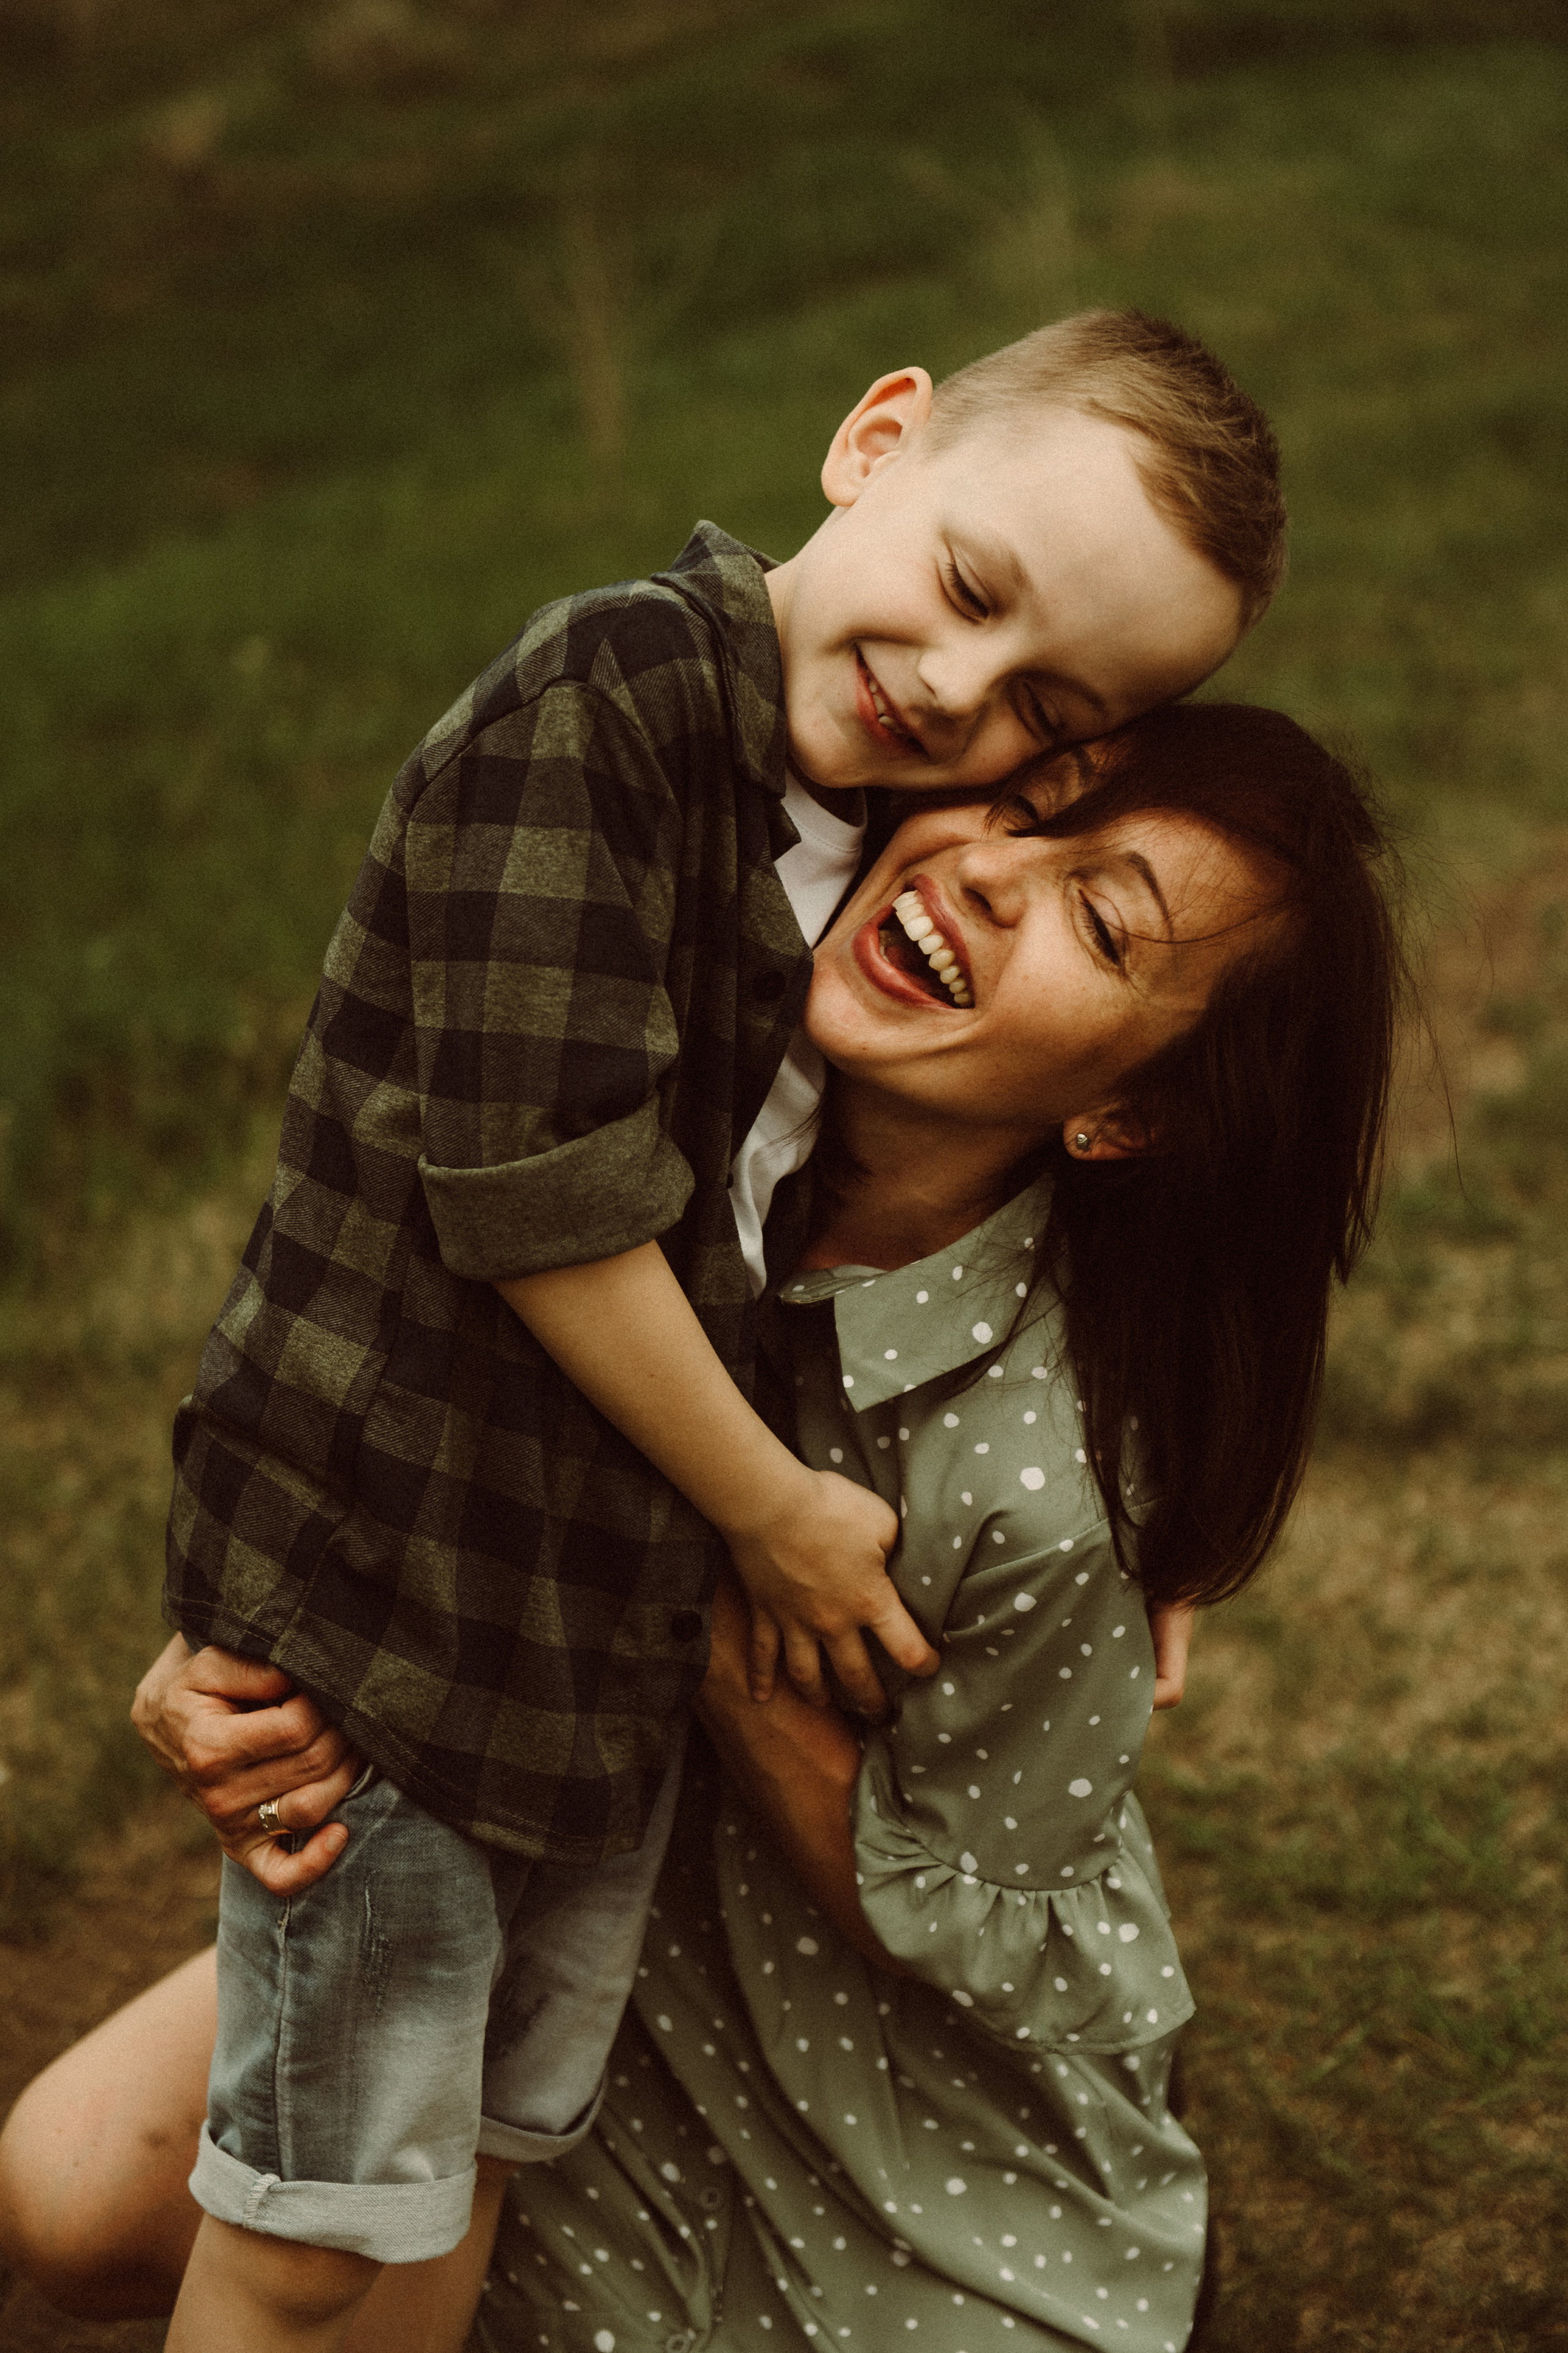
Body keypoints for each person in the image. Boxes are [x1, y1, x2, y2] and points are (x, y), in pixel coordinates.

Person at [130, 310, 1280, 2351]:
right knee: (314, 2214)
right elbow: (533, 1194)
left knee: (476, 2161)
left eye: (1046, 710)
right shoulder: (616, 700)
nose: (957, 697)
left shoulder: (830, 823)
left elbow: (1162, 1083)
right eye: (966, 589)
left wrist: (1181, 1494)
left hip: (561, 1635)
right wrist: (767, 1509)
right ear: (875, 437)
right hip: (414, 1599)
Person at [0, 700, 1403, 2353]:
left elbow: (980, 1927)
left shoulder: (1046, 1476)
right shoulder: (657, 1095)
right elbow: (369, 1352)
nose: (996, 877)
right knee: (71, 2186)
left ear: (1127, 1116)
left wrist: (722, 1628)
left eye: (1101, 921)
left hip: (877, 2097)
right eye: (1019, 811)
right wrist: (220, 1646)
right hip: (540, 1886)